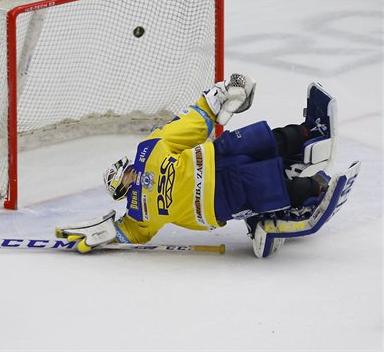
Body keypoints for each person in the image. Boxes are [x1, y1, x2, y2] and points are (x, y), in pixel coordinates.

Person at [57, 73, 360, 258]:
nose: (126, 180)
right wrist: (108, 234)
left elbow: (186, 126)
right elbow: (130, 234)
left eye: (121, 174)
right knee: (270, 184)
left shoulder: (148, 150)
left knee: (266, 140)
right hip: (218, 199)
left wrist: (217, 97)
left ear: (125, 166)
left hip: (216, 154)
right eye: (118, 186)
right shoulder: (138, 215)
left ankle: (309, 134)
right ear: (121, 194)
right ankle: (314, 193)